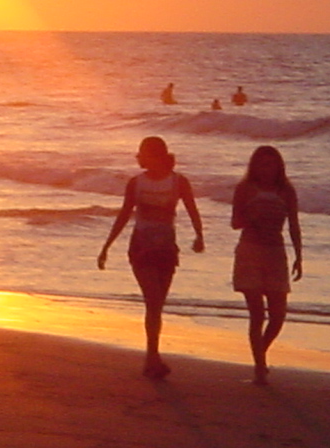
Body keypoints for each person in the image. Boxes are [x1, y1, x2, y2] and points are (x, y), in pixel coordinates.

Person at [98, 136, 205, 379]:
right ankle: (152, 356)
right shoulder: (136, 183)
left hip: (167, 249)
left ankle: (152, 355)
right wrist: (107, 246)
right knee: (153, 300)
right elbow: (125, 214)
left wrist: (199, 236)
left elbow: (191, 209)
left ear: (157, 155)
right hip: (141, 248)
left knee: (157, 305)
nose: (139, 157)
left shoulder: (179, 182)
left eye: (143, 153)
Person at [231, 145, 302, 386]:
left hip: (276, 252)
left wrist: (299, 256)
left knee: (279, 315)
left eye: (271, 164)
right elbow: (234, 222)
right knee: (257, 314)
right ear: (254, 166)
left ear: (279, 167)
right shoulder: (245, 188)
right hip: (250, 250)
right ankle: (260, 367)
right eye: (262, 164)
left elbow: (293, 224)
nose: (267, 169)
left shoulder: (286, 190)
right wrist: (252, 216)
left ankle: (259, 352)